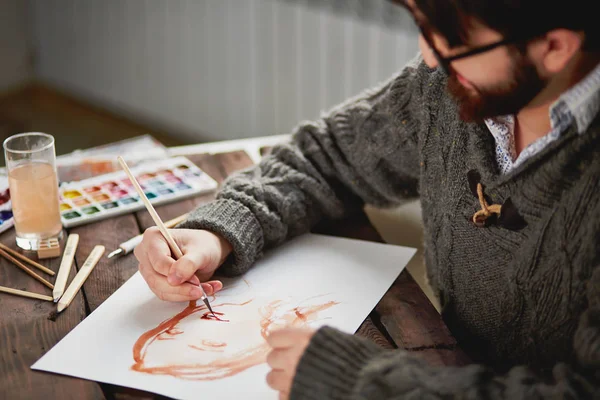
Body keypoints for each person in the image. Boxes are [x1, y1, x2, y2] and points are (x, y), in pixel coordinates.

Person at [134, 0, 600, 398]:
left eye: (454, 43)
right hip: (446, 356)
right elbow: (328, 155)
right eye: (422, 25)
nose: (430, 57)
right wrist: (222, 230)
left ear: (555, 47)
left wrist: (363, 383)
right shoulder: (445, 89)